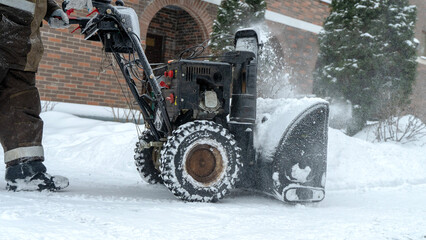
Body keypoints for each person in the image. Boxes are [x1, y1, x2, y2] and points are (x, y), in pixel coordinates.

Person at [0, 0, 70, 191]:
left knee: (21, 107)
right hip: (7, 39)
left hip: (22, 51)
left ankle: (25, 170)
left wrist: (51, 9)